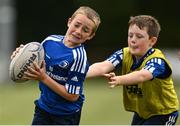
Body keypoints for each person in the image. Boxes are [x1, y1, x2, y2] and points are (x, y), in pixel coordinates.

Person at [11, 6, 101, 125]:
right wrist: (20, 54)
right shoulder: (50, 40)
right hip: (43, 107)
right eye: (77, 25)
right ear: (69, 22)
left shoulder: (79, 58)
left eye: (85, 30)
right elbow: (34, 59)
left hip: (66, 115)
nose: (79, 31)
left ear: (90, 35)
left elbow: (73, 96)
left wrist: (44, 78)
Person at [87, 15, 179, 125]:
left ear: (152, 41)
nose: (133, 40)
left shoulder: (157, 61)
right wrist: (81, 73)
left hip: (164, 113)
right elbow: (103, 66)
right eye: (130, 35)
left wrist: (119, 79)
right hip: (142, 113)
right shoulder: (124, 53)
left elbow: (142, 75)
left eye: (139, 36)